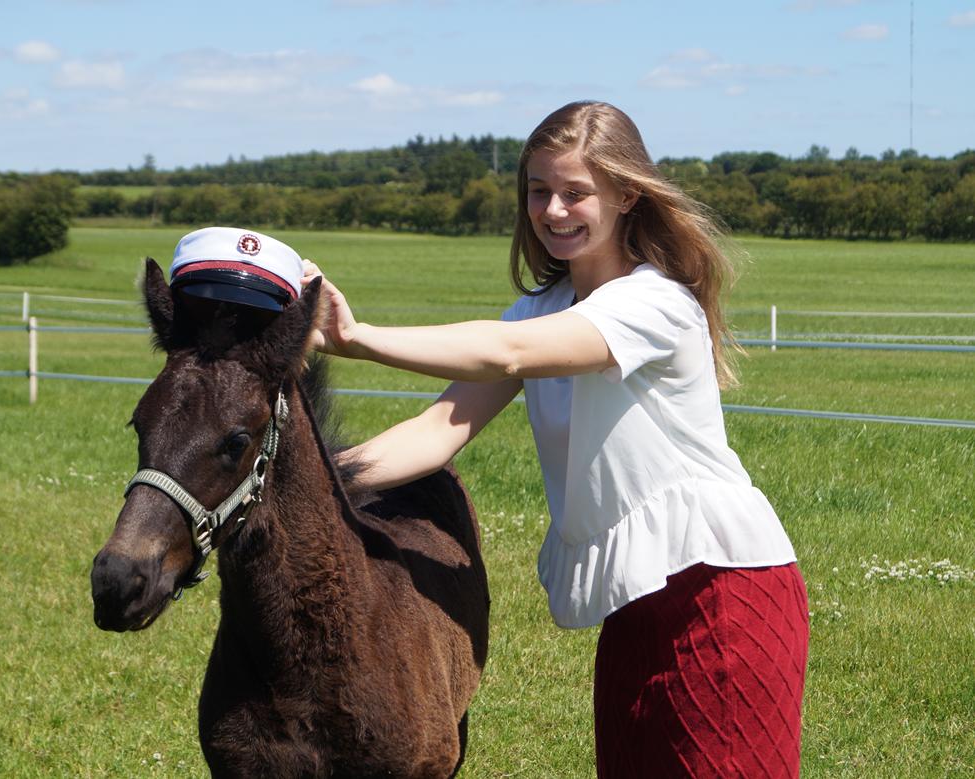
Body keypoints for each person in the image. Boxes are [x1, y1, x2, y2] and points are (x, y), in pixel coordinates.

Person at [302, 101, 808, 777]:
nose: (554, 210)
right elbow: (433, 432)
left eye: (576, 192)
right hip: (636, 605)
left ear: (628, 194)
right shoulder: (540, 309)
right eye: (539, 191)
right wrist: (300, 478)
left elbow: (509, 353)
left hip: (721, 596)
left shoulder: (655, 303)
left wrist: (356, 339)